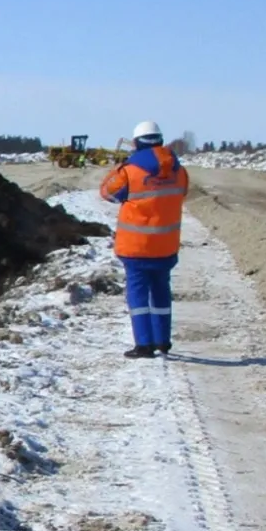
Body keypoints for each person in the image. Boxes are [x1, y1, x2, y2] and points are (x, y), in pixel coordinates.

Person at [99, 121, 190, 358]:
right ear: (160, 140)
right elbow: (181, 193)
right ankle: (163, 341)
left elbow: (107, 192)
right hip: (166, 246)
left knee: (138, 295)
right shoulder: (179, 171)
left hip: (136, 247)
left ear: (137, 142)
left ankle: (144, 345)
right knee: (161, 291)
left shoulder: (129, 171)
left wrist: (122, 166)